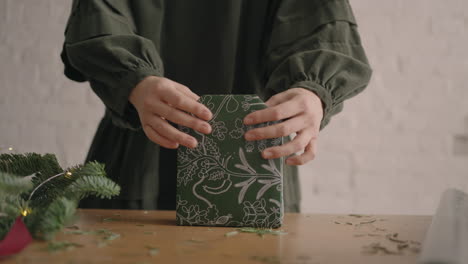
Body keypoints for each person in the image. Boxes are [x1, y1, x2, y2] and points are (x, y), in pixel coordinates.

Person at [61, 0, 372, 212]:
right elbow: (97, 18)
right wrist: (134, 81)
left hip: (255, 167)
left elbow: (323, 28)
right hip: (141, 159)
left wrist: (311, 95)